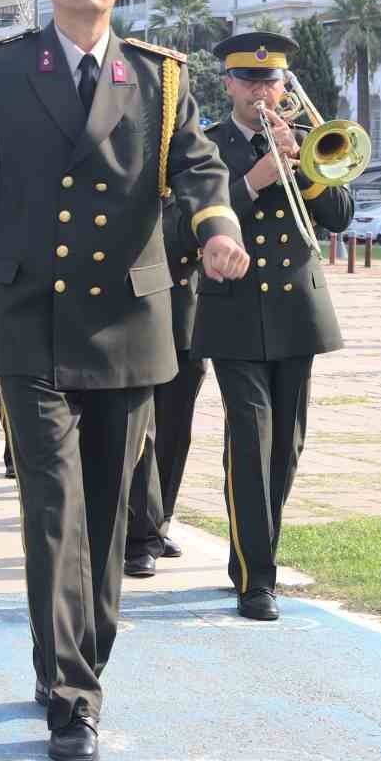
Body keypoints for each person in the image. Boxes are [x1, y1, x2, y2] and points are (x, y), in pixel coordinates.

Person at [0, 0, 248, 761]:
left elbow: (199, 167)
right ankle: (73, 695)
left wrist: (219, 230)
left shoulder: (160, 77)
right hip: (27, 317)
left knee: (106, 512)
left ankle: (76, 654)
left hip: (127, 323)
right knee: (55, 506)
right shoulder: (0, 71)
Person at [194, 31, 354, 623]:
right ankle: (258, 577)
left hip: (298, 312)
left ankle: (251, 553)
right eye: (250, 80)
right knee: (250, 439)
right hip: (234, 310)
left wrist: (304, 164)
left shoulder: (308, 141)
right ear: (230, 84)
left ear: (286, 85)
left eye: (272, 80)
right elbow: (188, 219)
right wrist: (258, 177)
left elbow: (340, 215)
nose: (262, 90)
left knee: (286, 446)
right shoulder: (206, 147)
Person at [123, 195, 209, 577]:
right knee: (141, 432)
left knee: (175, 429)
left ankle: (159, 520)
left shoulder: (198, 168)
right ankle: (139, 533)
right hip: (133, 314)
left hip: (183, 314)